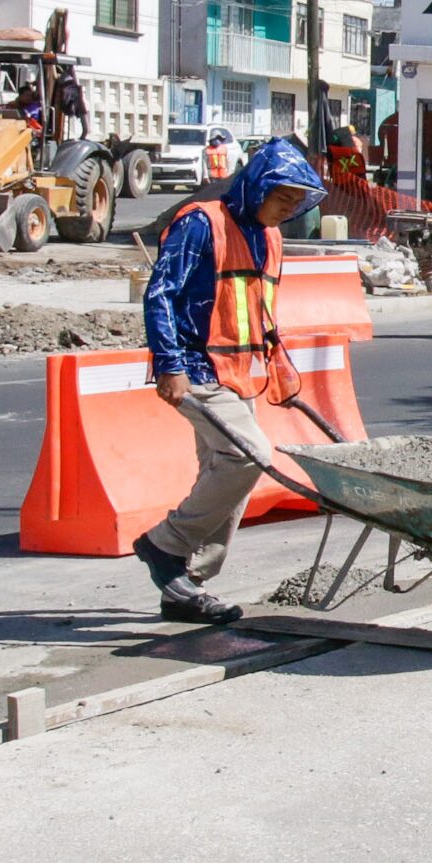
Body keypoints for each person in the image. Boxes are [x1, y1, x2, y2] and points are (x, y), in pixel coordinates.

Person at [132, 139, 328, 626]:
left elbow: (260, 312)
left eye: (295, 203)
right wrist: (169, 364)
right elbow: (162, 294)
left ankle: (186, 587)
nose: (288, 210)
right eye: (281, 199)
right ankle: (165, 545)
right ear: (257, 186)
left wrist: (279, 369)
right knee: (249, 456)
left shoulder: (270, 236)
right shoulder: (202, 222)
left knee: (224, 472)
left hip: (242, 373)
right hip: (197, 368)